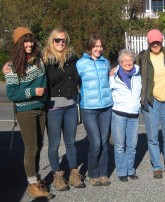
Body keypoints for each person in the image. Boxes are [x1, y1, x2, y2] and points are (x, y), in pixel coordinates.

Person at [4, 27, 53, 199]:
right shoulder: (12, 66)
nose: (29, 44)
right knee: (31, 147)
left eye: (31, 40)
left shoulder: (39, 60)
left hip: (41, 108)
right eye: (25, 41)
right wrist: (32, 91)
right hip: (26, 111)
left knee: (39, 146)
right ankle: (32, 184)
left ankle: (36, 178)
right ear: (19, 43)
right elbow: (11, 93)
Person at [42, 27, 85, 191]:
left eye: (63, 40)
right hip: (53, 108)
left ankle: (74, 174)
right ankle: (58, 176)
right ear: (52, 41)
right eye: (57, 40)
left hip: (70, 107)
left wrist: (110, 71)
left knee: (71, 142)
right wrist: (9, 68)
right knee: (53, 144)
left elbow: (86, 70)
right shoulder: (44, 60)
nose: (61, 43)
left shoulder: (73, 58)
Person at [135, 29, 165, 179]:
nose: (155, 44)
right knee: (152, 137)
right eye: (152, 41)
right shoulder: (142, 57)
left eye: (158, 41)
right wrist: (114, 70)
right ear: (148, 42)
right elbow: (128, 68)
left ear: (161, 41)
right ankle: (157, 167)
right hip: (151, 101)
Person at [76, 33, 113, 186]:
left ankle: (103, 174)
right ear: (90, 47)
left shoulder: (106, 62)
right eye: (96, 46)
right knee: (96, 142)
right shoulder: (81, 63)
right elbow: (72, 81)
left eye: (101, 46)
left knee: (104, 142)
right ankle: (93, 174)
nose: (99, 49)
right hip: (89, 108)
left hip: (106, 107)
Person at [109, 49, 141, 182]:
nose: (128, 63)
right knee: (120, 145)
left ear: (133, 61)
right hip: (119, 114)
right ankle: (122, 171)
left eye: (130, 60)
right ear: (120, 63)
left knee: (132, 144)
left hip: (134, 114)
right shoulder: (113, 75)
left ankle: (130, 170)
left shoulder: (139, 73)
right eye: (124, 61)